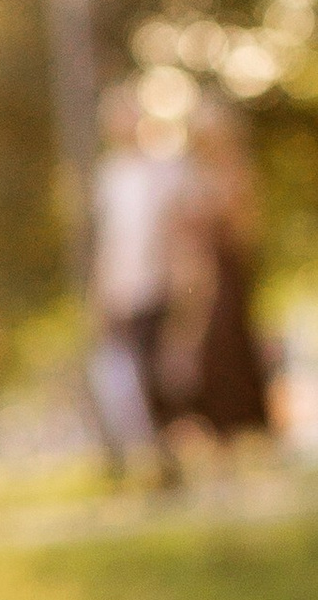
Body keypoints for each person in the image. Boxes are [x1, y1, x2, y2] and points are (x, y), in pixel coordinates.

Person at [87, 81, 191, 476]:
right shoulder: (108, 176)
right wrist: (99, 294)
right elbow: (107, 240)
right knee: (121, 376)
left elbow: (175, 229)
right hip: (120, 290)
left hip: (157, 284)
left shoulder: (165, 168)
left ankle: (167, 460)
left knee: (154, 373)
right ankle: (133, 459)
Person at [164, 93, 275, 444]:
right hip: (199, 271)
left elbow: (244, 228)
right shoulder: (191, 175)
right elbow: (176, 222)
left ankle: (243, 429)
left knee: (231, 347)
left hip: (228, 271)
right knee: (205, 352)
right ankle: (217, 432)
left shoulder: (237, 172)